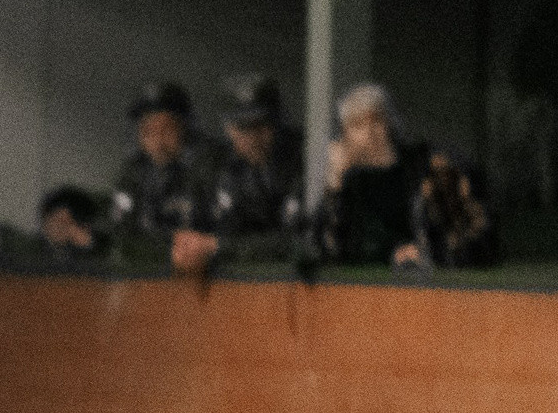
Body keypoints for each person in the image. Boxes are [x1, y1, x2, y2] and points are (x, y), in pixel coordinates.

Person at [313, 83, 495, 269]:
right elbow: (327, 252)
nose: (369, 133)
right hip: (365, 291)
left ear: (390, 125)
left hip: (427, 288)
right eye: (357, 125)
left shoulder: (432, 169)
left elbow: (476, 241)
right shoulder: (348, 186)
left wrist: (428, 252)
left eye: (376, 121)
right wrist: (334, 183)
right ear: (344, 137)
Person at [177, 75, 304, 272]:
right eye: (243, 127)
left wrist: (220, 247)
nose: (253, 138)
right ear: (229, 129)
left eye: (261, 125)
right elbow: (192, 232)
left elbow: (297, 241)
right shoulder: (214, 164)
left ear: (277, 124)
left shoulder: (301, 159)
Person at [108, 80, 217, 271]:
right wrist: (167, 244)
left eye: (167, 128)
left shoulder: (205, 169)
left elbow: (222, 233)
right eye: (148, 130)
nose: (158, 139)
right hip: (145, 275)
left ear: (185, 129)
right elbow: (121, 235)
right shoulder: (132, 173)